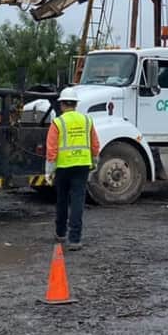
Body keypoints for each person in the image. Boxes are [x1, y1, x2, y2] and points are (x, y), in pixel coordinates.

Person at [45, 88, 101, 251]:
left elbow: (51, 149)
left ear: (62, 104)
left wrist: (49, 170)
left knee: (62, 200)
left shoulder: (58, 122)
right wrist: (95, 161)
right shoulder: (87, 120)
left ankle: (60, 233)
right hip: (82, 165)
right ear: (76, 104)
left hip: (63, 167)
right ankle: (75, 239)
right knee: (77, 201)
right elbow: (95, 144)